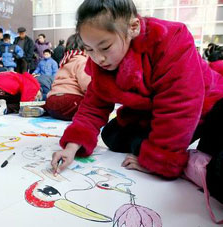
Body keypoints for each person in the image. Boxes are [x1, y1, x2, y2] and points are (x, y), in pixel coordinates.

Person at [51, 0, 223, 210]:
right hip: (149, 110)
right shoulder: (101, 61)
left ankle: (185, 158)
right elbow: (93, 105)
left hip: (204, 105)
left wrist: (159, 160)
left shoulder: (171, 38)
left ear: (133, 28)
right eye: (89, 50)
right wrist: (71, 146)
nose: (99, 58)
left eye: (105, 47)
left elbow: (180, 105)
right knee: (112, 136)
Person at [45, 34, 90, 120]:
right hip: (71, 102)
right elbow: (86, 85)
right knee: (93, 106)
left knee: (55, 107)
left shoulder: (64, 62)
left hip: (51, 101)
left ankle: (44, 108)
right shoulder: (82, 60)